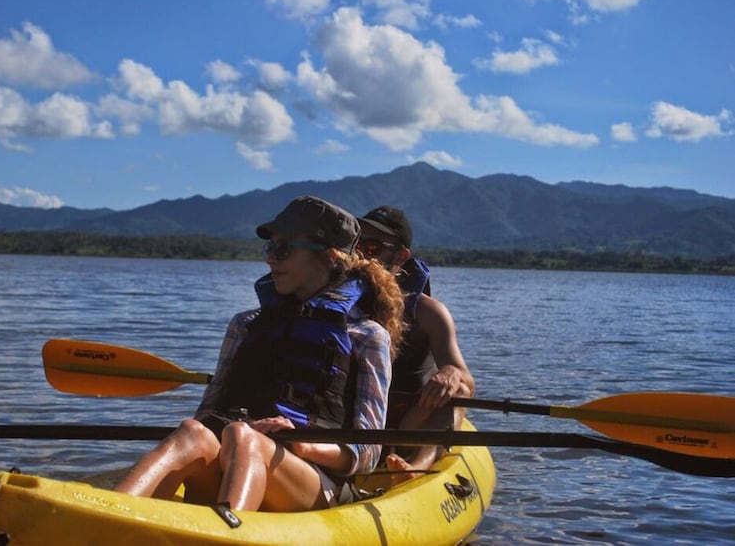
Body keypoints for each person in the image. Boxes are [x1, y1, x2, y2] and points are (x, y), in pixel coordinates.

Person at [114, 196, 404, 512]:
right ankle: (112, 515)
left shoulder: (366, 335)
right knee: (193, 432)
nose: (271, 260)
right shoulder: (245, 325)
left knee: (243, 437)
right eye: (270, 248)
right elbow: (207, 413)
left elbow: (368, 451)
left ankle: (227, 533)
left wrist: (304, 444)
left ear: (330, 256)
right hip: (238, 459)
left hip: (314, 482)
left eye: (284, 248)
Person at [356, 205, 475, 478]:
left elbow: (468, 382)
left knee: (458, 391)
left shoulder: (429, 312)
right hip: (358, 419)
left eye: (373, 247)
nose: (362, 255)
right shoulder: (337, 303)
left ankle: (418, 466)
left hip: (410, 420)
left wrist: (451, 373)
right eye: (357, 244)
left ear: (401, 256)